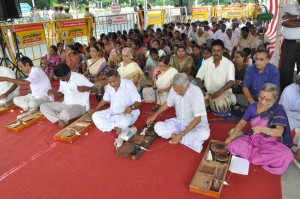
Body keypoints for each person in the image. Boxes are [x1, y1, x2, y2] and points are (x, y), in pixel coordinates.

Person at [225, 83, 294, 175]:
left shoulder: (278, 110)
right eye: (261, 97)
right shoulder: (253, 107)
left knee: (287, 155)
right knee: (233, 146)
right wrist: (231, 137)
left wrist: (262, 129)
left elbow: (279, 132)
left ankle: (253, 157)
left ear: (275, 99)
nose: (263, 102)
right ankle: (258, 158)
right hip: (252, 140)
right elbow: (242, 123)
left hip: (270, 144)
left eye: (268, 100)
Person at [147, 73, 210, 153]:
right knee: (157, 127)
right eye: (175, 90)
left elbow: (198, 119)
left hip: (196, 125)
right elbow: (168, 103)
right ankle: (185, 138)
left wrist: (181, 134)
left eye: (180, 90)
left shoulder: (196, 92)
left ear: (187, 85)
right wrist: (154, 115)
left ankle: (180, 137)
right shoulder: (174, 89)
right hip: (179, 123)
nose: (177, 92)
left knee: (204, 134)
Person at [40, 63, 96, 128]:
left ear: (68, 72)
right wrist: (54, 93)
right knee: (43, 106)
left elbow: (96, 89)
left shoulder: (79, 77)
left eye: (62, 78)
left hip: (80, 106)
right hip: (65, 104)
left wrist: (86, 88)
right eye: (59, 78)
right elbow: (61, 94)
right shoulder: (62, 79)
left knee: (65, 112)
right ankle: (59, 120)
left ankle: (60, 116)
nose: (61, 79)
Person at [91, 69, 142, 134]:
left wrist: (131, 107)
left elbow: (139, 102)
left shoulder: (128, 85)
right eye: (110, 82)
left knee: (125, 122)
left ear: (119, 77)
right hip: (113, 111)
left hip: (126, 114)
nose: (112, 84)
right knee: (95, 116)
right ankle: (115, 128)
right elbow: (105, 99)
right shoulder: (109, 86)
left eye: (114, 81)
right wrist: (96, 109)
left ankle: (109, 124)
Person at [196, 39, 236, 106]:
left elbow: (231, 81)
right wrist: (202, 88)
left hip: (224, 92)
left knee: (233, 100)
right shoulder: (206, 62)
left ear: (223, 51)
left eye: (218, 50)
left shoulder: (229, 64)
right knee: (197, 102)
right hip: (208, 93)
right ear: (211, 51)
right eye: (214, 50)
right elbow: (198, 77)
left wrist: (219, 92)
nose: (216, 52)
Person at [280, 0, 300, 91]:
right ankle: (285, 94)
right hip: (289, 44)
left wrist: (293, 17)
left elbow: (289, 20)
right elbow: (285, 22)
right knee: (286, 72)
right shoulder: (288, 6)